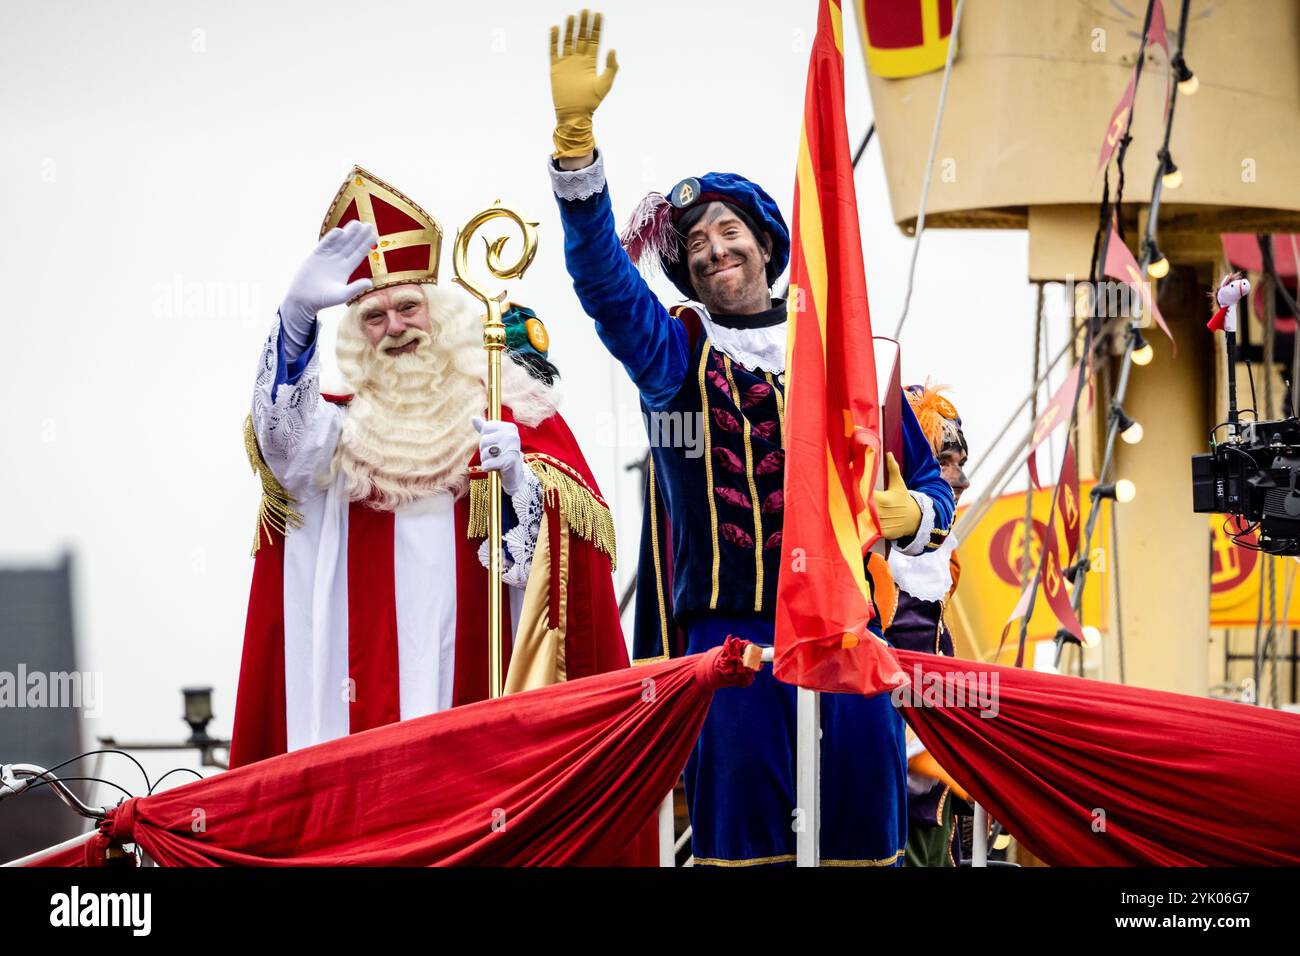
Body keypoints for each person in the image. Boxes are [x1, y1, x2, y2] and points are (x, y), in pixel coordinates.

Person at [544, 10, 955, 866]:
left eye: (728, 231)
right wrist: (578, 155)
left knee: (860, 847)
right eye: (694, 243)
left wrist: (909, 509)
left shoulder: (853, 361)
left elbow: (936, 493)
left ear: (768, 245)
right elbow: (604, 285)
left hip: (847, 637)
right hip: (728, 648)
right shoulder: (676, 357)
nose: (711, 249)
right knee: (744, 853)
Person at [229, 165, 628, 773]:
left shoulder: (511, 410)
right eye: (373, 317)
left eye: (408, 307)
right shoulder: (333, 431)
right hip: (353, 699)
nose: (395, 329)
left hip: (479, 698)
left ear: (438, 312)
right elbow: (282, 446)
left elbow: (564, 574)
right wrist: (295, 321)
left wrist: (522, 485)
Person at [881, 383, 973, 866]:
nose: (962, 479)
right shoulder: (871, 566)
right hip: (893, 780)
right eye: (946, 462)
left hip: (936, 776)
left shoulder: (941, 562)